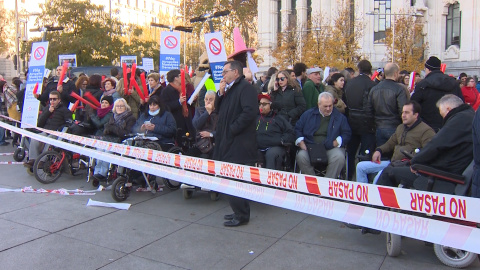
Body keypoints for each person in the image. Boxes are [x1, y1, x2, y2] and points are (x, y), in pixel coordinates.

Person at [376, 95, 474, 194]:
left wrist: (415, 162)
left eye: (442, 113)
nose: (443, 117)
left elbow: (436, 144)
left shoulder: (459, 120)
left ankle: (378, 207)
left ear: (448, 109)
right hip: (448, 170)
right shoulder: (469, 117)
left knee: (388, 172)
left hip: (440, 174)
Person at [214, 60, 258, 227]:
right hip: (227, 141)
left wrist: (232, 129)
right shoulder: (230, 90)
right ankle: (237, 210)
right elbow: (218, 110)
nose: (223, 75)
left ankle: (242, 215)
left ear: (236, 72)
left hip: (239, 143)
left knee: (236, 178)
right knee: (229, 177)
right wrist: (220, 93)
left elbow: (249, 112)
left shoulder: (245, 89)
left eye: (226, 72)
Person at [356, 101, 435, 183]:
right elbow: (390, 143)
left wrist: (415, 162)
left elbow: (428, 152)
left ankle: (373, 195)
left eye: (407, 113)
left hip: (406, 166)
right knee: (360, 167)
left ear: (416, 115)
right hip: (392, 162)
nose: (403, 115)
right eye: (402, 112)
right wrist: (379, 150)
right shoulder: (400, 127)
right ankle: (364, 195)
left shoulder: (426, 131)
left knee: (378, 178)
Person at [295, 92, 351, 178]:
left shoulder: (340, 117)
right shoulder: (308, 114)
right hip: (311, 146)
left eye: (330, 105)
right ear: (318, 104)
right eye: (325, 106)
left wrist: (337, 142)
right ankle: (313, 182)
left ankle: (327, 183)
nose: (328, 109)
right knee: (301, 156)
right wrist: (301, 142)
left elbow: (347, 133)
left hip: (330, 147)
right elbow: (297, 128)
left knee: (339, 157)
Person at [411, 56, 464, 132]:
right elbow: (461, 103)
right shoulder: (453, 83)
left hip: (426, 127)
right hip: (450, 125)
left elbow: (414, 104)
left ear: (428, 69)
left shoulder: (422, 84)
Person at [344, 60, 377, 180]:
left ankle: (349, 177)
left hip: (352, 120)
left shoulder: (350, 83)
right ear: (370, 70)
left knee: (351, 152)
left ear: (359, 69)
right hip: (367, 122)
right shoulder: (372, 85)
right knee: (365, 153)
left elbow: (345, 101)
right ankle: (363, 179)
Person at [92, 98, 136, 181]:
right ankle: (96, 172)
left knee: (107, 152)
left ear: (126, 107)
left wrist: (112, 128)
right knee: (99, 149)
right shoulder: (113, 116)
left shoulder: (131, 118)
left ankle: (103, 173)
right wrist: (107, 129)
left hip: (121, 140)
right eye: (117, 106)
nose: (119, 108)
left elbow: (126, 133)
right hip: (109, 138)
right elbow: (108, 128)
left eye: (121, 106)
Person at [24, 91, 73, 166]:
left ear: (59, 100)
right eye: (50, 99)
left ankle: (42, 161)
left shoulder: (64, 110)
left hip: (57, 133)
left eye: (54, 99)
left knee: (49, 140)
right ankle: (33, 159)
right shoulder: (47, 108)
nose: (52, 101)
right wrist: (48, 112)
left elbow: (68, 123)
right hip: (46, 130)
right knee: (35, 139)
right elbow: (40, 123)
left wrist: (59, 129)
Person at [366, 63, 408, 147]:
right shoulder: (400, 89)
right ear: (396, 73)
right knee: (395, 156)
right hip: (395, 127)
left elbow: (369, 110)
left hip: (379, 127)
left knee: (381, 154)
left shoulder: (374, 89)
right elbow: (403, 110)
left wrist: (373, 126)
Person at [256, 93, 295, 170]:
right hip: (258, 146)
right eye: (260, 104)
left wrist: (281, 140)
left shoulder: (279, 119)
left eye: (264, 104)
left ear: (271, 105)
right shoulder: (256, 118)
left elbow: (290, 132)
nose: (261, 106)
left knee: (271, 154)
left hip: (274, 147)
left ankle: (269, 180)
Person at [160, 69, 195, 145]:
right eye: (180, 76)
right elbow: (165, 106)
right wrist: (178, 102)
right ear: (175, 78)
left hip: (186, 119)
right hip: (176, 121)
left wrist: (191, 99)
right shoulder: (166, 91)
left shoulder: (182, 88)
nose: (183, 77)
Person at [191, 91, 218, 158]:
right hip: (200, 144)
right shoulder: (199, 110)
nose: (208, 101)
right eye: (206, 99)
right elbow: (196, 125)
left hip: (214, 144)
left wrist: (211, 134)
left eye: (211, 99)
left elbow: (223, 130)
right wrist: (207, 112)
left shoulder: (219, 113)